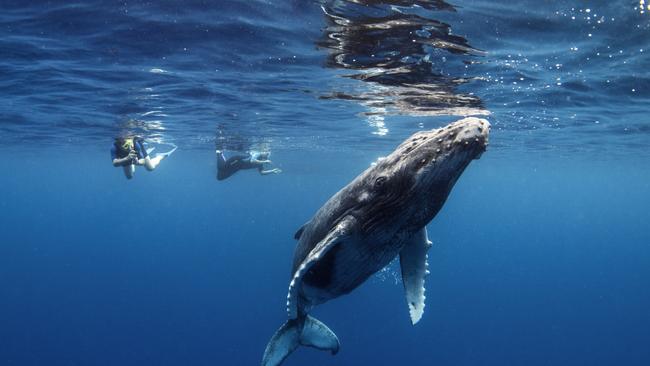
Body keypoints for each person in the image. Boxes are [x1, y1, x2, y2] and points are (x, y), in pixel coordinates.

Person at [111, 136, 176, 179]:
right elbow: (114, 163)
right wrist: (127, 158)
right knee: (129, 177)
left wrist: (137, 162)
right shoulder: (115, 146)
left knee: (150, 168)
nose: (127, 145)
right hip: (126, 158)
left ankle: (160, 156)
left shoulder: (135, 144)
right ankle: (132, 161)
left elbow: (143, 161)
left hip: (137, 152)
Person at [216, 149, 282, 181]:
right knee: (221, 168)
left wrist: (272, 171)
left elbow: (262, 172)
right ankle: (219, 152)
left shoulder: (261, 162)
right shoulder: (258, 154)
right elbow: (252, 160)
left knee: (219, 178)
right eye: (266, 153)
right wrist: (264, 161)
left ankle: (223, 162)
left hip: (238, 167)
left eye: (268, 154)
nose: (267, 155)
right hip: (237, 160)